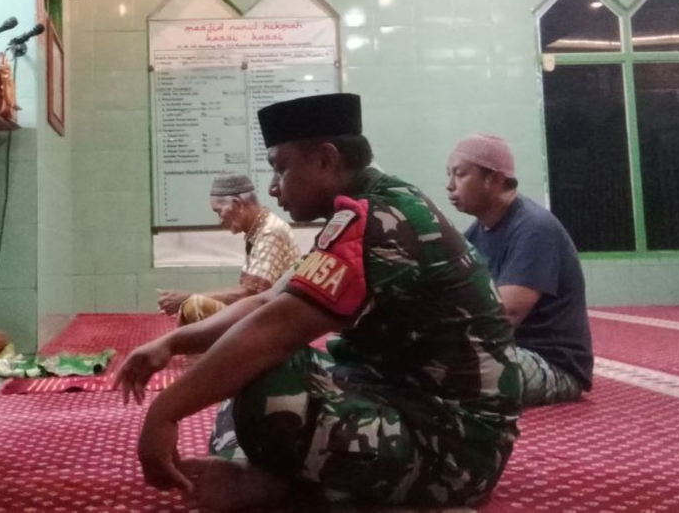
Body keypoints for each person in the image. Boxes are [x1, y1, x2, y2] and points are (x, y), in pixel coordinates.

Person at [115, 94, 522, 510]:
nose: (273, 187)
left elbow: (276, 330)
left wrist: (165, 412)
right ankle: (263, 476)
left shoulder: (382, 220)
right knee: (237, 363)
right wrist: (172, 343)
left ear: (327, 159)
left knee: (261, 380)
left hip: (456, 445)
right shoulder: (365, 209)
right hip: (396, 396)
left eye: (281, 167)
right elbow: (266, 302)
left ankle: (275, 485)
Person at [446, 133, 593, 407]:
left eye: (460, 174)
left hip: (551, 364)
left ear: (494, 179)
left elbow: (504, 315)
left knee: (439, 365)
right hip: (503, 350)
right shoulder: (475, 234)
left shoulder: (535, 229)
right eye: (450, 175)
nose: (450, 185)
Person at [158, 174, 301, 325]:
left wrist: (188, 298)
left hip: (279, 323)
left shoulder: (271, 232)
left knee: (195, 306)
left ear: (237, 204)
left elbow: (250, 295)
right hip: (269, 315)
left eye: (219, 211)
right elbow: (250, 293)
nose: (220, 221)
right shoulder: (261, 230)